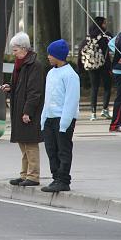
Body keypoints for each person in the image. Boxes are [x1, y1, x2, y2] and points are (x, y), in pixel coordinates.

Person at [1, 32, 44, 187]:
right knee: (23, 144)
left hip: (27, 111)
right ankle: (25, 174)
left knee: (30, 144)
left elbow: (34, 91)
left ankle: (33, 176)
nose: (14, 53)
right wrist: (10, 87)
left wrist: (27, 111)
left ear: (24, 49)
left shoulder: (34, 65)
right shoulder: (20, 65)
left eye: (15, 50)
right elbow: (20, 85)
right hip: (19, 109)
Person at [41, 39, 80, 193]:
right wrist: (43, 119)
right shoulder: (51, 73)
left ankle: (63, 180)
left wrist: (64, 123)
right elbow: (48, 98)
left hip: (63, 119)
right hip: (49, 118)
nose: (48, 56)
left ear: (58, 55)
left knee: (63, 150)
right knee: (51, 149)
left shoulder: (70, 75)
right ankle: (56, 177)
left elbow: (71, 100)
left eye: (50, 54)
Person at [78, 16, 112, 120]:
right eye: (104, 23)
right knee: (107, 87)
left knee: (94, 87)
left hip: (91, 66)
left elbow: (80, 52)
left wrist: (80, 68)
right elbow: (111, 48)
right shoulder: (105, 37)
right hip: (104, 65)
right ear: (101, 24)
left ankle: (93, 113)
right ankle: (105, 110)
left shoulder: (88, 38)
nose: (106, 25)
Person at [108, 26, 121, 132]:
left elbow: (110, 43)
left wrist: (117, 53)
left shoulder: (120, 35)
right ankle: (115, 124)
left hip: (118, 70)